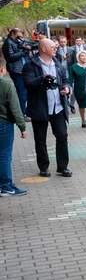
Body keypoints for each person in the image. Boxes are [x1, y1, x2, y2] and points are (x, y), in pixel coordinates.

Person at [22, 38, 72, 178]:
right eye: (52, 46)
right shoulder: (30, 65)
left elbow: (65, 81)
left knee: (62, 136)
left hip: (58, 107)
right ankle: (43, 167)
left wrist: (67, 89)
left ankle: (63, 167)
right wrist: (42, 79)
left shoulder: (58, 64)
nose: (55, 48)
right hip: (40, 108)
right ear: (43, 49)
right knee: (40, 139)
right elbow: (28, 84)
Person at [0, 55, 28, 197]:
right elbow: (15, 108)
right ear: (2, 69)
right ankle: (6, 186)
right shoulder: (6, 84)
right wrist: (22, 127)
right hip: (3, 123)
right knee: (4, 155)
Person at [2, 28, 31, 115]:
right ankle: (21, 114)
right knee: (21, 93)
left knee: (25, 92)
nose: (21, 35)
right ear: (13, 34)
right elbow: (10, 58)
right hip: (16, 71)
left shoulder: (16, 41)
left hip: (23, 70)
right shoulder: (8, 43)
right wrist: (23, 51)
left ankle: (25, 111)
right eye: (19, 33)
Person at [70, 51, 86, 132]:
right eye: (82, 56)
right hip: (79, 89)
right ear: (78, 57)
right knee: (82, 106)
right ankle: (83, 120)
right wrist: (69, 88)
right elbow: (70, 79)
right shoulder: (74, 67)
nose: (84, 57)